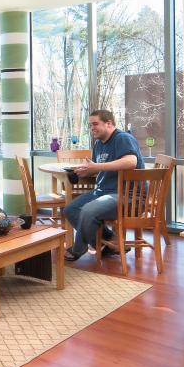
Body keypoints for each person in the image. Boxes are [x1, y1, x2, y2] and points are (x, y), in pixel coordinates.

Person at [64, 110, 144, 261]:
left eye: (95, 124)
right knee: (70, 209)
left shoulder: (123, 138)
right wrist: (86, 172)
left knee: (88, 211)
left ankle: (78, 249)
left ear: (108, 123)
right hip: (103, 192)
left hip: (128, 196)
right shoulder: (99, 144)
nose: (92, 128)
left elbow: (131, 162)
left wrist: (97, 167)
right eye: (90, 125)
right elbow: (98, 167)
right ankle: (108, 242)